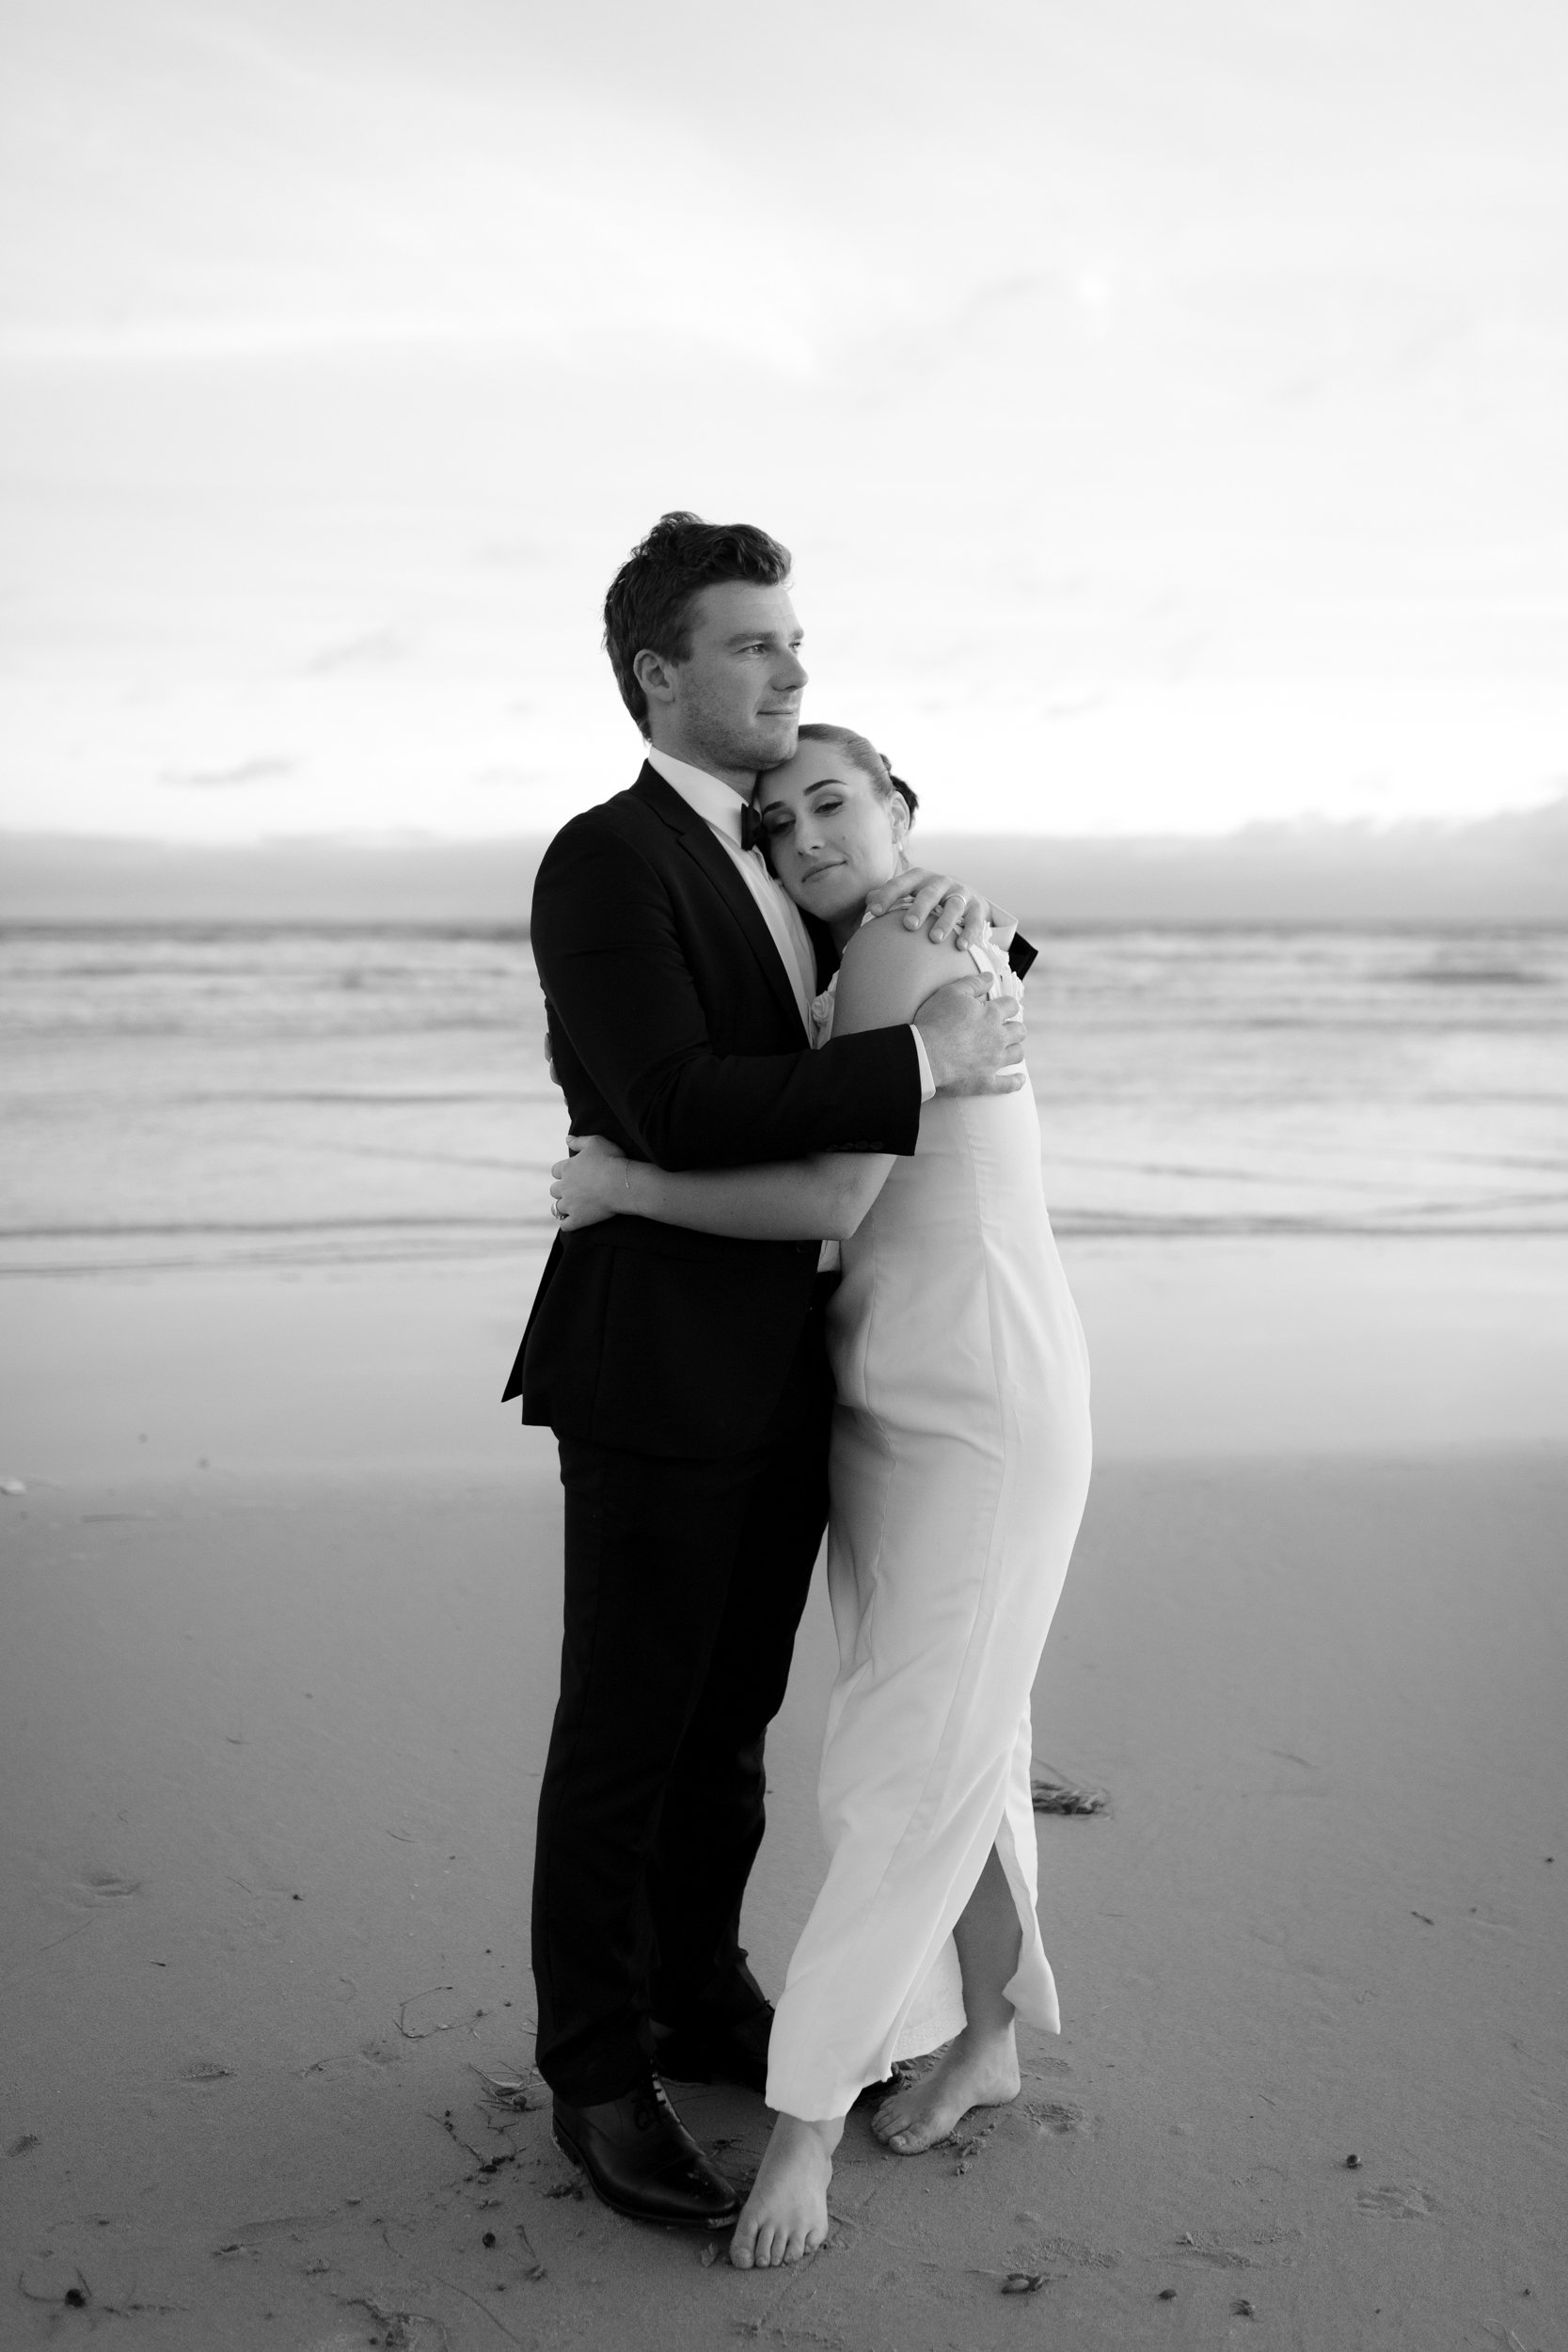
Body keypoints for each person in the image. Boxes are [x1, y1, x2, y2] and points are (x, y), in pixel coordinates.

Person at [503, 514, 1029, 2233]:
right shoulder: (607, 862)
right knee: (627, 1735)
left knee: (726, 1731)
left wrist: (959, 942)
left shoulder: (793, 855)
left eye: (796, 643)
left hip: (797, 1370)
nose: (790, 668)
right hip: (655, 1368)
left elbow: (916, 975)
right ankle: (595, 2069)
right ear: (660, 671)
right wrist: (915, 1055)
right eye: (753, 644)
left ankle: (695, 1990)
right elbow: (668, 1105)